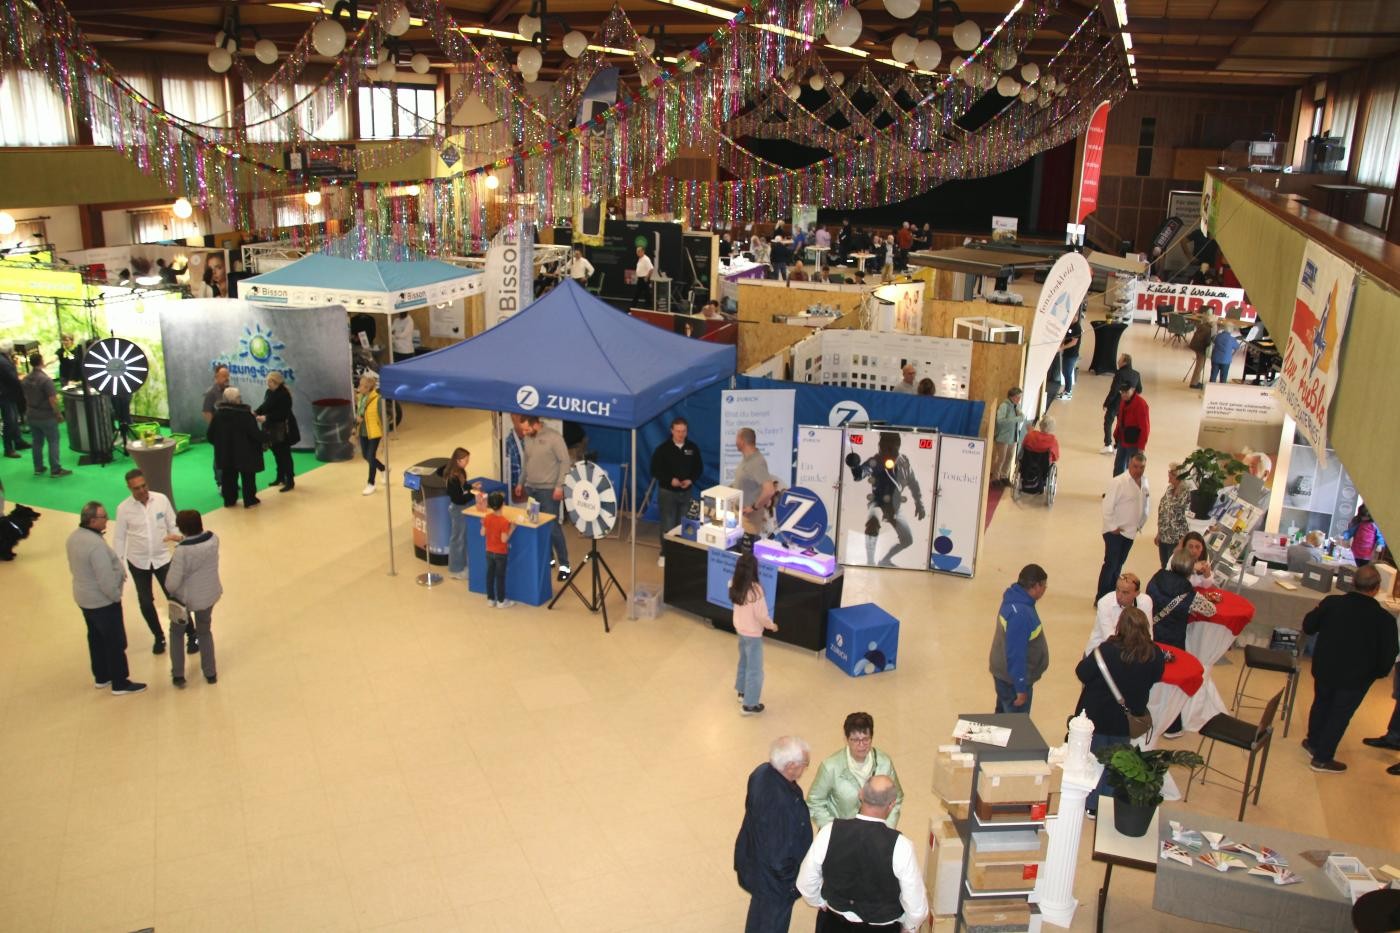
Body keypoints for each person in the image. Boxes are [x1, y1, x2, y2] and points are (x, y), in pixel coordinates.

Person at [796, 775, 929, 933]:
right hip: (881, 928)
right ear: (892, 804)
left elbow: (805, 882)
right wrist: (909, 927)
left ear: (861, 794)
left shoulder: (829, 832)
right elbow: (916, 906)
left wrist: (818, 901)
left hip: (833, 924)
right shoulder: (901, 846)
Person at [1302, 565, 1400, 773]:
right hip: (1357, 678)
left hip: (1325, 668)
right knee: (1339, 715)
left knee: (1321, 704)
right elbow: (1389, 654)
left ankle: (1313, 743)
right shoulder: (1385, 620)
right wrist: (1378, 673)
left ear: (1353, 583)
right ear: (1376, 588)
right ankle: (1322, 758)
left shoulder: (1331, 603)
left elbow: (1309, 625)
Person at [1074, 607, 1167, 814]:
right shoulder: (1154, 654)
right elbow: (1156, 677)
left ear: (1120, 627)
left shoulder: (1106, 650)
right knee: (1116, 763)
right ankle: (1106, 804)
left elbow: (1083, 672)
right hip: (1127, 719)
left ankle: (1090, 804)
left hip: (1097, 715)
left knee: (1093, 760)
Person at [734, 736, 813, 933]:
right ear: (791, 766)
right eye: (805, 764)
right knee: (773, 922)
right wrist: (791, 883)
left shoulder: (761, 772)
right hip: (774, 881)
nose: (805, 769)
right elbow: (779, 856)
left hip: (755, 864)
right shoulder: (781, 804)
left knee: (760, 914)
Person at [66, 501, 145, 695]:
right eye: (103, 517)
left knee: (96, 638)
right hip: (102, 601)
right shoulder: (95, 545)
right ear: (92, 520)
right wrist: (116, 596)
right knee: (115, 641)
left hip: (84, 599)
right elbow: (105, 578)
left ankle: (102, 676)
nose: (107, 520)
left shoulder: (74, 537)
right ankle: (120, 682)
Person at [112, 468, 194, 656]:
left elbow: (173, 524)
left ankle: (191, 634)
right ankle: (159, 636)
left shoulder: (161, 500)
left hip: (162, 559)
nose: (142, 491)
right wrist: (119, 564)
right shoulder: (123, 509)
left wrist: (179, 537)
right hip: (138, 562)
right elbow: (119, 538)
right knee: (146, 602)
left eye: (144, 486)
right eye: (136, 488)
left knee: (175, 598)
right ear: (129, 489)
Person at [807, 712, 904, 829]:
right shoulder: (830, 767)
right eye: (855, 740)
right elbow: (814, 803)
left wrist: (885, 829)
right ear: (847, 739)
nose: (861, 745)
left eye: (865, 739)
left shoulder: (884, 763)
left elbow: (896, 798)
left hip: (875, 835)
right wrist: (835, 830)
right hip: (842, 837)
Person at [845, 432, 925, 567]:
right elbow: (861, 473)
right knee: (873, 521)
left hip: (895, 506)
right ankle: (870, 561)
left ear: (897, 446)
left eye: (888, 446)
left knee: (907, 540)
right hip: (878, 502)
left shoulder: (904, 462)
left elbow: (913, 483)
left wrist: (919, 503)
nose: (883, 449)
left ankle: (885, 560)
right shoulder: (876, 460)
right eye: (881, 445)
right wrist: (854, 466)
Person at [164, 509, 222, 687]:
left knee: (176, 633)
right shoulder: (214, 539)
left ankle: (179, 675)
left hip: (185, 600)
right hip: (209, 595)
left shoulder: (182, 552)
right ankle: (210, 672)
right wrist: (182, 539)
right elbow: (198, 546)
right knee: (204, 631)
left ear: (182, 529)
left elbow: (171, 584)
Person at [989, 564, 1049, 714]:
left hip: (1004, 674)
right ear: (1036, 586)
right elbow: (1016, 654)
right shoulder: (1021, 614)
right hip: (1013, 681)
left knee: (1002, 714)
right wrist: (1020, 688)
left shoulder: (1015, 598)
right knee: (1016, 725)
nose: (1045, 590)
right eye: (1044, 586)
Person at [517, 415, 571, 580]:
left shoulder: (554, 438)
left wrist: (559, 486)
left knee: (552, 528)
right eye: (523, 430)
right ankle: (548, 559)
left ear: (536, 424)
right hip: (531, 490)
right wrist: (520, 483)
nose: (525, 433)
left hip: (548, 491)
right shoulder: (528, 438)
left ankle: (565, 566)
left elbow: (565, 461)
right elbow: (526, 462)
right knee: (536, 523)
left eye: (527, 429)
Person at [1096, 452, 1149, 603]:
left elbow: (1145, 505)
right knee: (1111, 564)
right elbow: (1107, 506)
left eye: (1142, 467)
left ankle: (1114, 593)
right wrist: (1113, 527)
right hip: (1115, 532)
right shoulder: (1118, 482)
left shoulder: (1145, 482)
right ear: (1129, 465)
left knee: (1119, 564)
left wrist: (1140, 523)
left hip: (1131, 532)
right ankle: (1101, 597)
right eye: (1135, 466)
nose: (1138, 470)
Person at [651, 416, 703, 566]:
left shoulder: (692, 448)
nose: (680, 434)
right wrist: (669, 480)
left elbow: (698, 468)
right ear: (671, 431)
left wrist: (691, 479)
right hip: (667, 493)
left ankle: (680, 553)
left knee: (684, 524)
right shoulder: (662, 449)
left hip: (686, 493)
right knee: (667, 524)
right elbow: (654, 470)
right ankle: (665, 554)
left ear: (687, 432)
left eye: (683, 431)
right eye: (678, 431)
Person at [730, 551, 777, 714]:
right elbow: (762, 616)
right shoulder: (756, 591)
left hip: (740, 631)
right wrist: (771, 626)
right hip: (753, 635)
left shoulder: (734, 584)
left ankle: (741, 692)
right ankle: (749, 705)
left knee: (743, 661)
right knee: (755, 670)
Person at [207, 387, 264, 508]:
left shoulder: (218, 415)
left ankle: (229, 501)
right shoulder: (246, 415)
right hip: (245, 453)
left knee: (228, 477)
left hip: (225, 453)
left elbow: (210, 435)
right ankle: (249, 500)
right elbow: (255, 434)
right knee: (248, 477)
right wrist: (266, 437)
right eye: (239, 397)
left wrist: (220, 446)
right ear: (237, 399)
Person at [21, 351, 71, 478]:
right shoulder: (46, 380)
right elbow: (52, 400)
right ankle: (55, 469)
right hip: (46, 416)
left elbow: (25, 398)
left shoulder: (26, 379)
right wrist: (58, 414)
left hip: (32, 414)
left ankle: (38, 467)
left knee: (37, 442)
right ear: (41, 362)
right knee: (53, 441)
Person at [1085, 572, 1152, 655]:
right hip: (1100, 653)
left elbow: (1148, 634)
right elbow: (1110, 639)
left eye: (1125, 592)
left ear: (1136, 593)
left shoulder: (1146, 602)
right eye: (1117, 589)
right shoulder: (1104, 603)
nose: (1119, 596)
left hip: (1131, 653)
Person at [440, 447, 480, 581]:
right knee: (457, 539)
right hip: (458, 509)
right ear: (458, 460)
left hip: (463, 507)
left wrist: (471, 487)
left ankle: (462, 565)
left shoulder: (460, 472)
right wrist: (472, 494)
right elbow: (458, 498)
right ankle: (455, 569)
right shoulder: (452, 478)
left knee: (463, 538)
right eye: (466, 460)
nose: (467, 462)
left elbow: (463, 487)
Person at [254, 371, 297, 493]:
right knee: (277, 454)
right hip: (271, 429)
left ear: (276, 382)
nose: (267, 384)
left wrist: (266, 418)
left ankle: (290, 481)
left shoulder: (284, 395)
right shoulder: (269, 392)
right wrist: (256, 412)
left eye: (269, 382)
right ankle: (280, 477)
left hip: (282, 430)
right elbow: (265, 405)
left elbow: (283, 414)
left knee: (285, 455)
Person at [733, 428, 779, 540]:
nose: (735, 441)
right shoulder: (748, 459)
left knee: (747, 552)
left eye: (737, 438)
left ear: (742, 441)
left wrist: (754, 507)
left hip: (749, 520)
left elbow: (769, 490)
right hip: (741, 515)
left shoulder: (757, 462)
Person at [1100, 353, 1141, 454]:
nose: (1118, 361)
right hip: (1128, 403)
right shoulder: (1136, 374)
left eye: (1120, 360)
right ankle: (1118, 446)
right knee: (1122, 424)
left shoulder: (1119, 373)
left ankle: (1108, 444)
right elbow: (1139, 389)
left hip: (1116, 402)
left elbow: (1114, 390)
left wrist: (1106, 403)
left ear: (1125, 362)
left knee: (1108, 422)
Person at [1154, 461, 1192, 568]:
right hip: (1164, 536)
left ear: (1180, 477)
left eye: (1172, 473)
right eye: (1169, 472)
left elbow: (1188, 521)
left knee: (1172, 567)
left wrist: (1181, 544)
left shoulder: (1187, 494)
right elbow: (1163, 510)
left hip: (1176, 540)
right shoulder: (1169, 489)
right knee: (1164, 565)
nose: (1169, 475)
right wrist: (1159, 532)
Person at [481, 490, 514, 608]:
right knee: (500, 577)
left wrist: (484, 524)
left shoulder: (487, 517)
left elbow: (482, 533)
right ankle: (501, 601)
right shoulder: (504, 521)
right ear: (503, 504)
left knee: (489, 575)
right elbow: (504, 539)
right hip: (500, 553)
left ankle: (490, 599)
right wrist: (512, 528)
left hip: (489, 551)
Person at [353, 372, 385, 496]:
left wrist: (385, 434)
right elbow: (360, 413)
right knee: (365, 456)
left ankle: (371, 483)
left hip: (374, 432)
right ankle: (383, 468)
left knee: (370, 456)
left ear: (368, 388)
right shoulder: (360, 398)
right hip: (362, 431)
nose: (359, 388)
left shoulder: (377, 399)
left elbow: (382, 417)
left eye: (361, 386)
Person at [1111, 384, 1150, 477]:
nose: (1124, 395)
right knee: (1118, 466)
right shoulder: (1123, 401)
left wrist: (1141, 447)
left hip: (1134, 443)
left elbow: (1145, 428)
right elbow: (1120, 420)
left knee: (1132, 469)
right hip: (1122, 440)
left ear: (1133, 390)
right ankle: (1116, 489)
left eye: (1126, 392)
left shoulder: (1141, 404)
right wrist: (1116, 435)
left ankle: (1129, 490)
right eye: (1122, 393)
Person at [991, 387, 1025, 486]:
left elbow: (1022, 417)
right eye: (1018, 397)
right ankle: (995, 478)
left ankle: (1004, 476)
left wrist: (1019, 417)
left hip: (1013, 437)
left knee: (1009, 457)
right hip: (1003, 437)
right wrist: (1016, 419)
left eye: (1020, 397)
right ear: (1012, 397)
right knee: (1001, 458)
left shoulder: (1016, 406)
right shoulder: (1004, 406)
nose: (1019, 400)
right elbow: (1000, 421)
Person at [0, 338, 27, 458]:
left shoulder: (4, 359)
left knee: (14, 419)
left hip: (9, 394)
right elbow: (12, 378)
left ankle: (18, 441)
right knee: (9, 421)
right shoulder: (3, 362)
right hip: (5, 395)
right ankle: (8, 449)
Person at [1059, 309, 1082, 399]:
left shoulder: (1077, 327)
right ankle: (1066, 390)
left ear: (1075, 317)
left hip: (1072, 354)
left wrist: (1062, 348)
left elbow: (1074, 342)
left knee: (1067, 373)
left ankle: (1068, 392)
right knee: (1065, 372)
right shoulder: (1070, 325)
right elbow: (1066, 336)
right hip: (1067, 353)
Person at [1187, 317, 1213, 389]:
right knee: (1199, 366)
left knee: (1198, 365)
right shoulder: (1208, 329)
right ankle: (1194, 383)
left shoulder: (1202, 325)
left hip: (1195, 346)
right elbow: (1208, 342)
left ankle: (1195, 381)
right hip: (1200, 349)